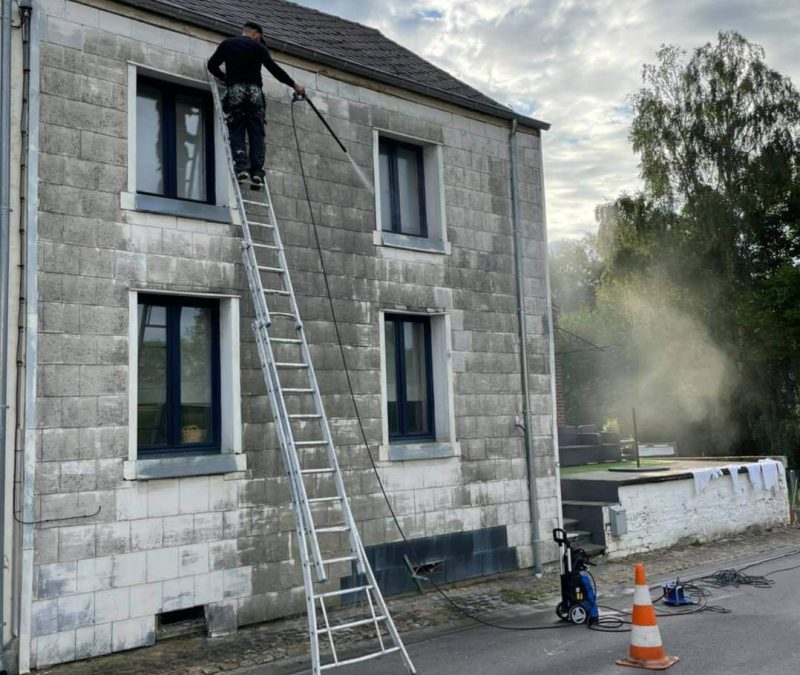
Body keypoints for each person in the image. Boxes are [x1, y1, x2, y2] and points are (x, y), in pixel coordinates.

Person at [207, 21, 306, 189]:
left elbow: (211, 65)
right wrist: (294, 85)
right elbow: (275, 70)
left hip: (235, 91)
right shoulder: (259, 48)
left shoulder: (227, 44)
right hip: (254, 93)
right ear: (256, 34)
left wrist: (225, 78)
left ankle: (241, 168)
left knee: (236, 127)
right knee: (256, 132)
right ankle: (257, 172)